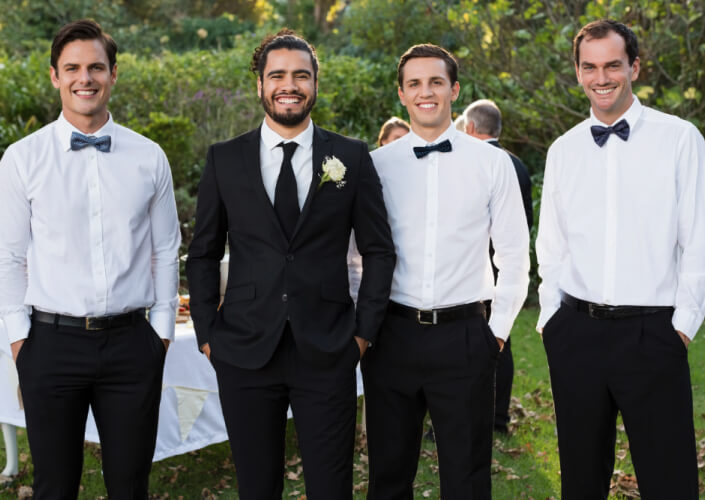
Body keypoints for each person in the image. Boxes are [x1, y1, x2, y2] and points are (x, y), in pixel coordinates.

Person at [186, 29, 395, 500]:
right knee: (256, 488)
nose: (289, 85)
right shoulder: (224, 159)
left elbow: (379, 250)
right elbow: (203, 252)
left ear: (315, 83)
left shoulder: (351, 156)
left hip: (329, 347)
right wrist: (207, 334)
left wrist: (363, 333)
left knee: (331, 487)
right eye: (277, 75)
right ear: (260, 84)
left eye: (301, 75)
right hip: (243, 349)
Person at [0, 19, 181, 498]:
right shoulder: (22, 159)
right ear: (55, 76)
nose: (86, 78)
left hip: (131, 346)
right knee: (54, 486)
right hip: (49, 346)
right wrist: (21, 342)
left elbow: (166, 249)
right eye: (73, 68)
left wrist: (161, 335)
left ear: (113, 74)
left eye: (96, 67)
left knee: (130, 485)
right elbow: (8, 256)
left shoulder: (149, 157)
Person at [536, 19, 704, 499]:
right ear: (577, 72)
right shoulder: (564, 149)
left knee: (669, 481)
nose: (601, 77)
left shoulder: (680, 138)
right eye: (589, 67)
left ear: (635, 67)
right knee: (581, 481)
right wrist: (551, 318)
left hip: (653, 334)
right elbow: (552, 245)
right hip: (576, 334)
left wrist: (682, 326)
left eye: (612, 65)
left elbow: (698, 239)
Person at [362, 44, 529, 499]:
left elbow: (515, 255)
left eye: (436, 82)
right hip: (391, 338)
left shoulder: (493, 164)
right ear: (401, 94)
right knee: (388, 477)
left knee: (467, 479)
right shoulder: (375, 166)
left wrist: (496, 334)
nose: (426, 92)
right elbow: (356, 256)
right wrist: (363, 328)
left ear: (454, 90)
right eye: (414, 83)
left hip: (466, 339)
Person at [463, 98, 533, 434]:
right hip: (508, 267)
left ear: (470, 128)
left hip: (477, 268)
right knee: (503, 341)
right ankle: (499, 417)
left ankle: (475, 415)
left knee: (471, 343)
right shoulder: (518, 165)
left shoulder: (473, 162)